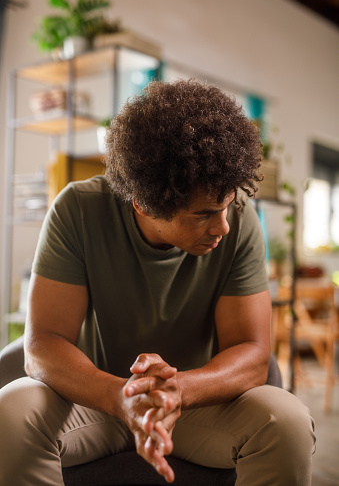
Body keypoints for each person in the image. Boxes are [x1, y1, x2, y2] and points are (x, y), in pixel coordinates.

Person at [0, 79, 315, 485]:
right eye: (203, 214)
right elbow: (43, 343)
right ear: (146, 204)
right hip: (95, 400)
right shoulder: (77, 210)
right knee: (10, 409)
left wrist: (178, 390)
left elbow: (252, 352)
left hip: (194, 407)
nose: (222, 226)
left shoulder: (239, 220)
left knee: (286, 419)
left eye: (227, 205)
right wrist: (120, 397)